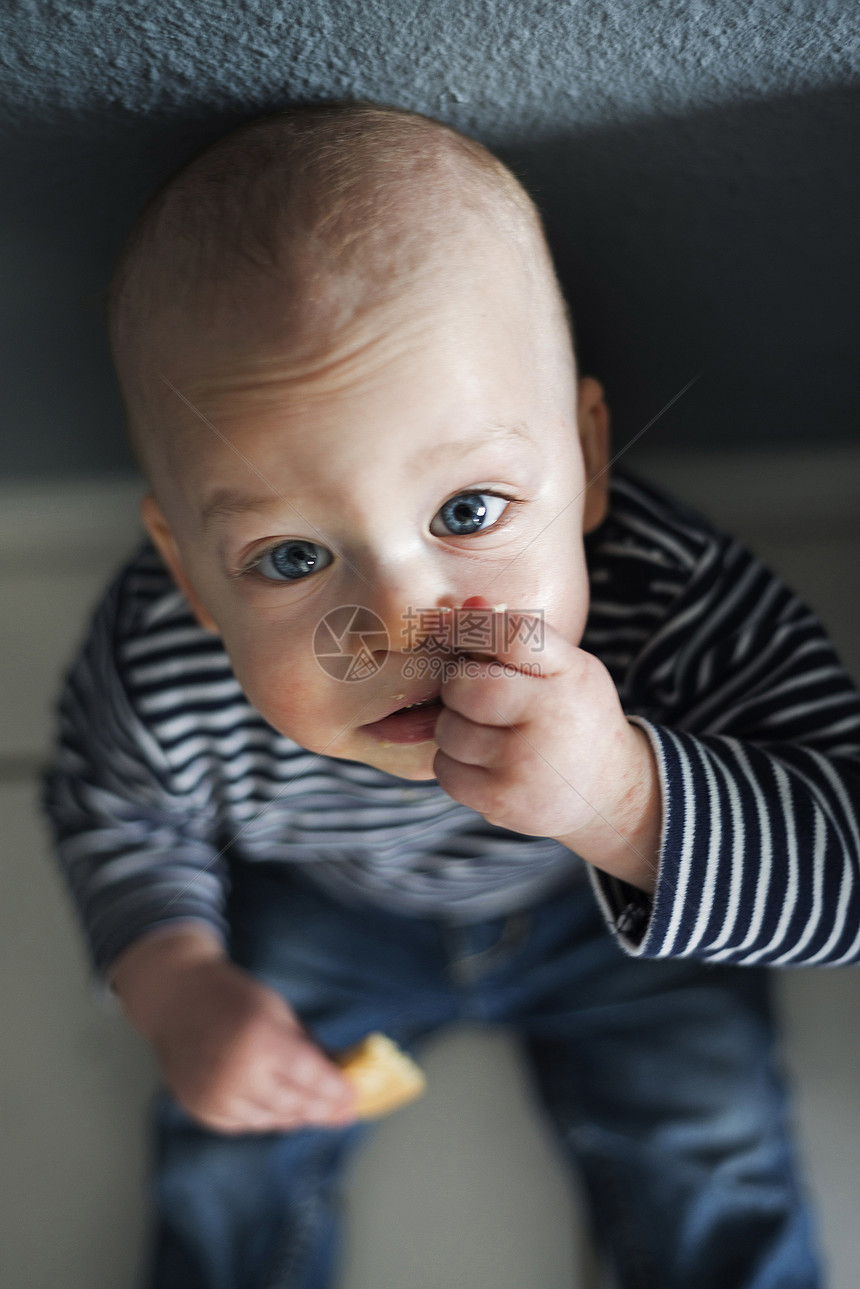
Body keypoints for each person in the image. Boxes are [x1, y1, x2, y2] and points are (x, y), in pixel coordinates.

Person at [41, 100, 860, 1289]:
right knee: (227, 1156)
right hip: (330, 916)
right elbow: (112, 805)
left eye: (467, 511)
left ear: (581, 461)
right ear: (189, 572)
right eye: (288, 555)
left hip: (609, 923)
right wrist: (177, 983)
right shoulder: (155, 656)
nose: (403, 621)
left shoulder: (674, 601)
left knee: (709, 1149)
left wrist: (621, 800)